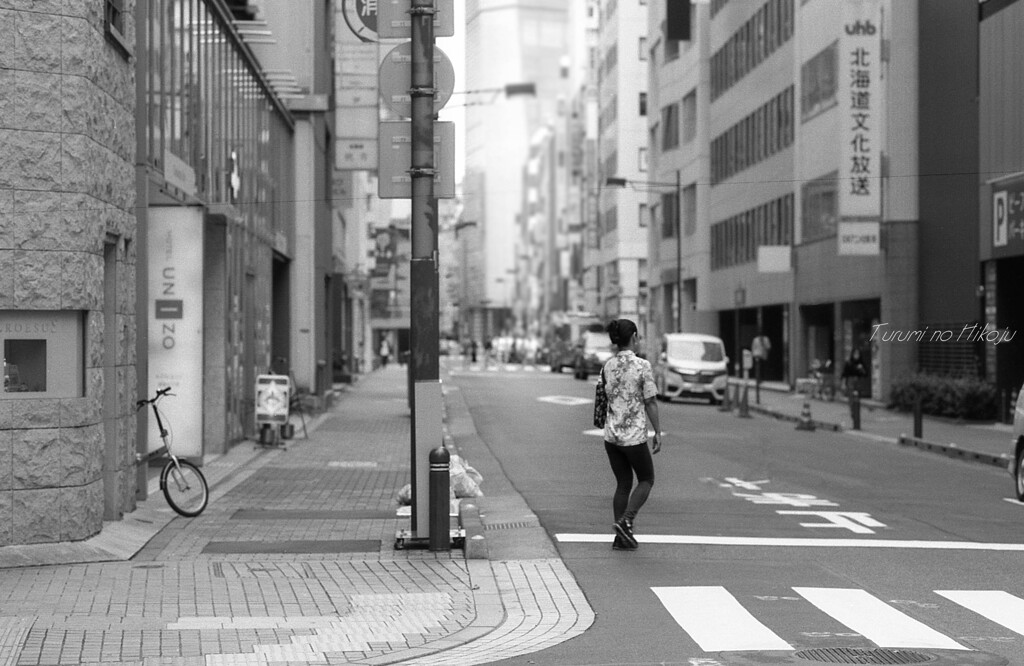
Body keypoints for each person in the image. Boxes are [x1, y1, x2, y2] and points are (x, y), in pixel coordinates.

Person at [601, 318, 661, 551]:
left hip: (611, 436)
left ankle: (620, 538)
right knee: (646, 479)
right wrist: (657, 431)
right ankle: (626, 521)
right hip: (633, 436)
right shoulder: (641, 366)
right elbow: (651, 401)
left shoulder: (608, 365)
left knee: (623, 483)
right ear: (634, 337)